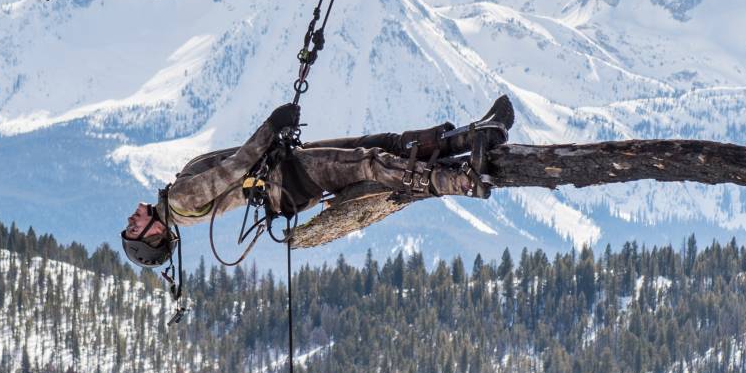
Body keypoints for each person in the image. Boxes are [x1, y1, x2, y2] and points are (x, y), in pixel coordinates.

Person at [120, 94, 515, 269]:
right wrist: (270, 127)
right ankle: (462, 180)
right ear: (154, 236)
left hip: (283, 172)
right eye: (133, 228)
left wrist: (273, 137)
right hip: (285, 177)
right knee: (371, 161)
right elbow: (236, 168)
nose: (132, 217)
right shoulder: (180, 200)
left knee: (378, 145)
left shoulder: (176, 205)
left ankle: (473, 136)